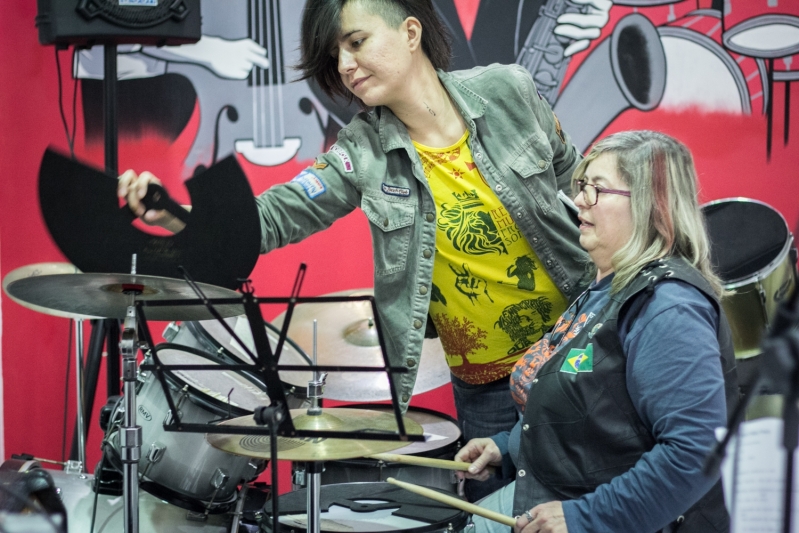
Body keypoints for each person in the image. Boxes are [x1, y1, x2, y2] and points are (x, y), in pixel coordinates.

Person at [118, 0, 590, 501]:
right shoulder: (361, 151)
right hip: (485, 392)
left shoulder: (509, 91)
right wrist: (178, 216)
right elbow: (271, 217)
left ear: (411, 32)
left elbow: (583, 189)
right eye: (335, 54)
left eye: (357, 42)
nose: (344, 65)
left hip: (576, 358)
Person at [454, 130, 739, 532]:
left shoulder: (669, 307)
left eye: (598, 190)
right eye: (582, 186)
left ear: (648, 204)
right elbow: (590, 415)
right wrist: (507, 448)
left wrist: (585, 517)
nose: (580, 200)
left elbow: (697, 453)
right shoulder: (606, 288)